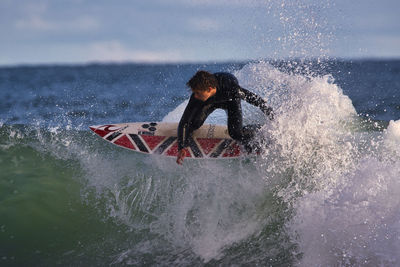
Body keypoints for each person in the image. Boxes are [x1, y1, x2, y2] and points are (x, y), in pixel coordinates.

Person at [176, 70, 274, 165]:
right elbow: (184, 121)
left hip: (231, 101)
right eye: (195, 93)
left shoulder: (231, 89)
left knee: (235, 133)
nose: (195, 96)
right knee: (194, 123)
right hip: (210, 102)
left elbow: (254, 99)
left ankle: (260, 130)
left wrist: (272, 116)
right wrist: (182, 146)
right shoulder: (197, 97)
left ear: (209, 89)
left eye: (198, 93)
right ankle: (188, 139)